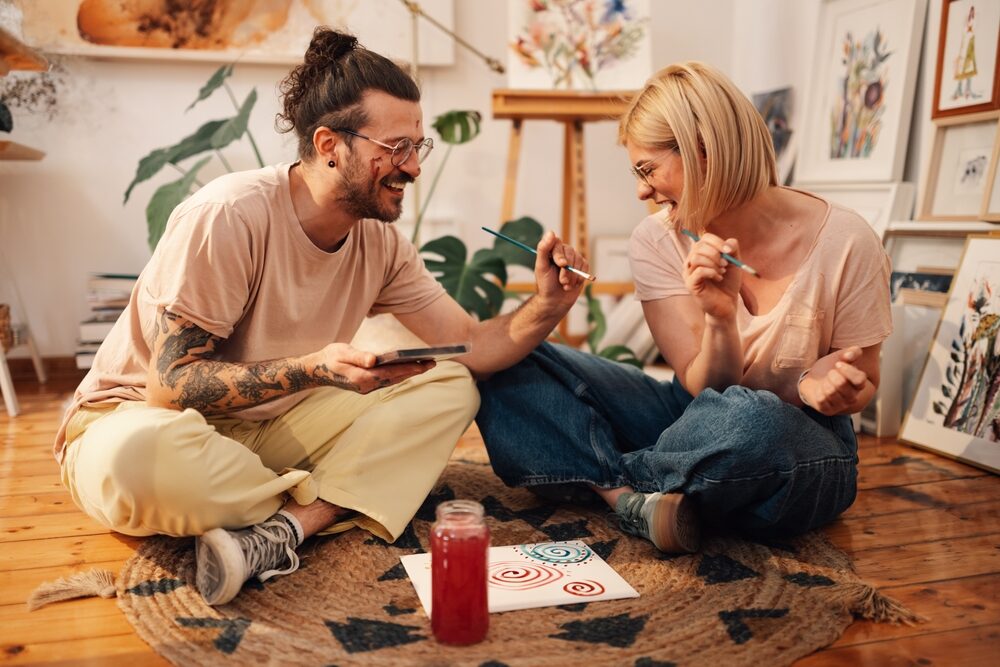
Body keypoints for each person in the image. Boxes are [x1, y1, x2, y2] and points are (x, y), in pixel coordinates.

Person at [54, 28, 589, 606]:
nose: (412, 168)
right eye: (395, 148)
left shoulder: (381, 246)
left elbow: (472, 345)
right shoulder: (229, 215)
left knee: (451, 385)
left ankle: (286, 529)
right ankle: (336, 498)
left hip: (267, 433)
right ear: (330, 143)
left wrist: (548, 304)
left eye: (418, 146)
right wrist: (314, 369)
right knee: (140, 461)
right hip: (143, 422)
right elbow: (171, 387)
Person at [476, 61, 891, 553]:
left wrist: (829, 390)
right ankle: (643, 497)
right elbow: (704, 389)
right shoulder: (656, 239)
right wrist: (719, 317)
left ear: (704, 150)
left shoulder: (846, 239)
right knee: (509, 362)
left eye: (647, 169)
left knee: (751, 421)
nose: (641, 191)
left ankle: (611, 480)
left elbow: (860, 382)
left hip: (797, 440)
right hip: (692, 415)